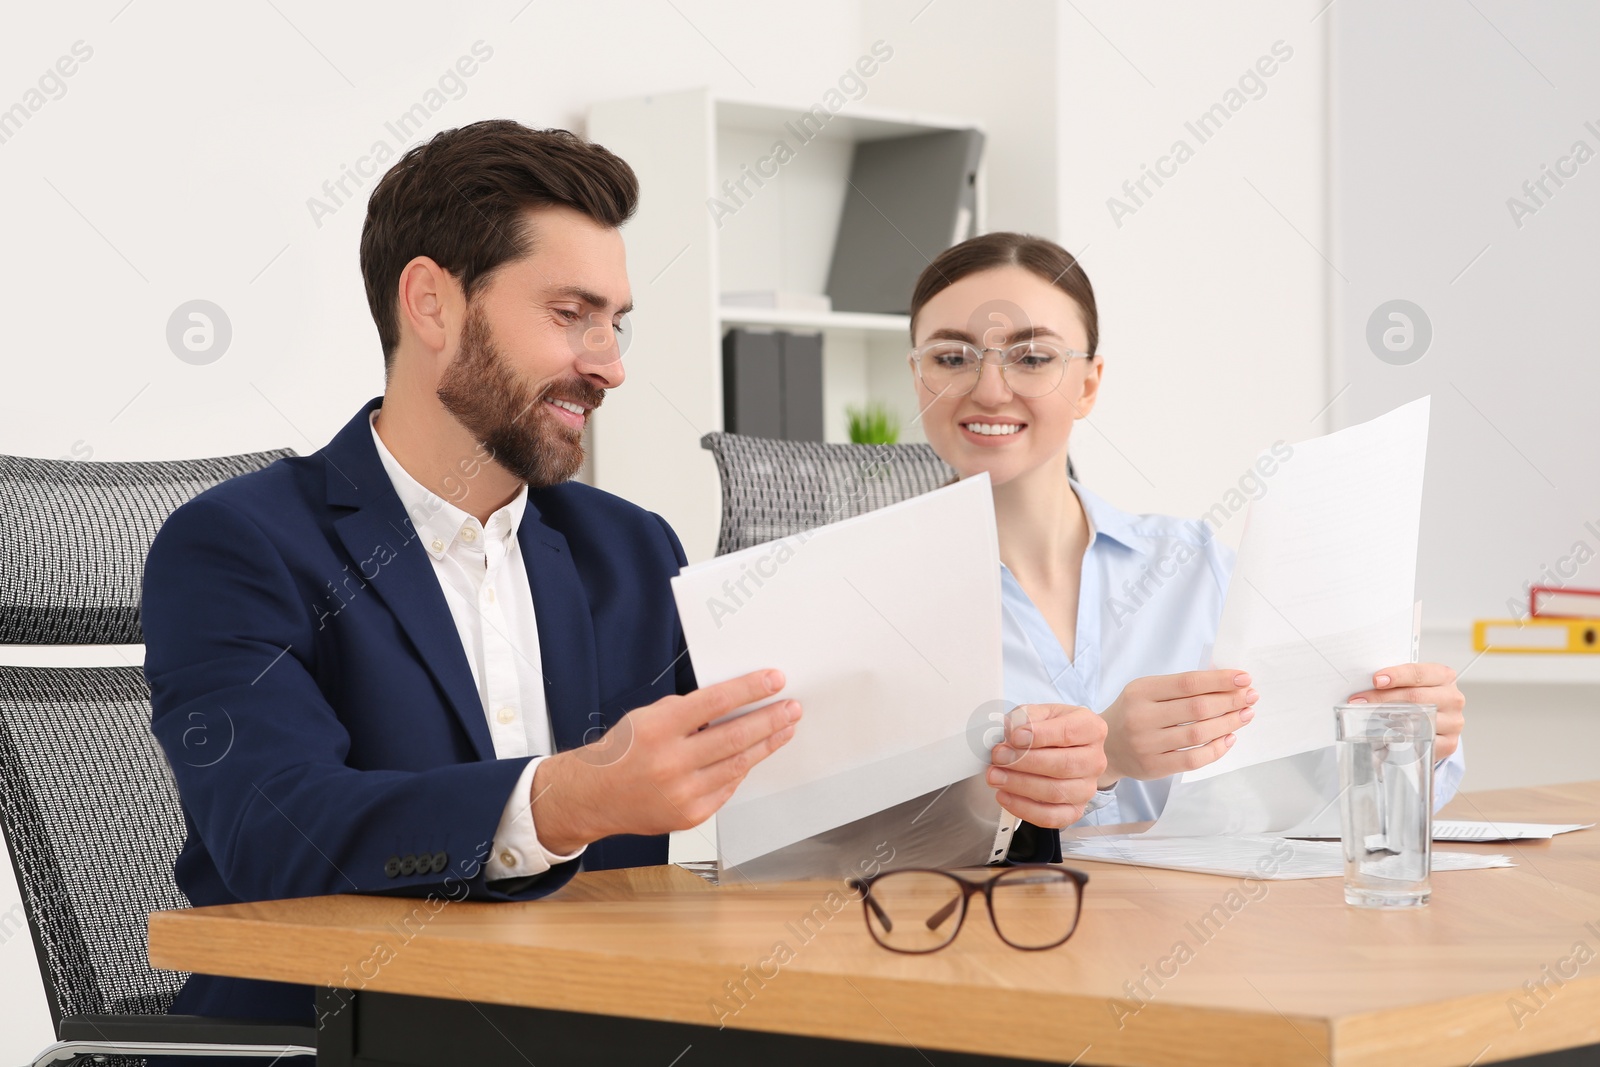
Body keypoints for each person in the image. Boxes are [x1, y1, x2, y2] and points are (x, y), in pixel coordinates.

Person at [904, 232, 1465, 828]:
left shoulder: (1194, 569)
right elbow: (868, 844)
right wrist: (1104, 758)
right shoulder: (875, 596)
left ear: (1089, 384)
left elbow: (1329, 792)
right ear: (918, 377)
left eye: (1033, 358)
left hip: (1181, 914)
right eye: (952, 358)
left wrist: (1405, 738)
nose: (990, 391)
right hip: (968, 919)